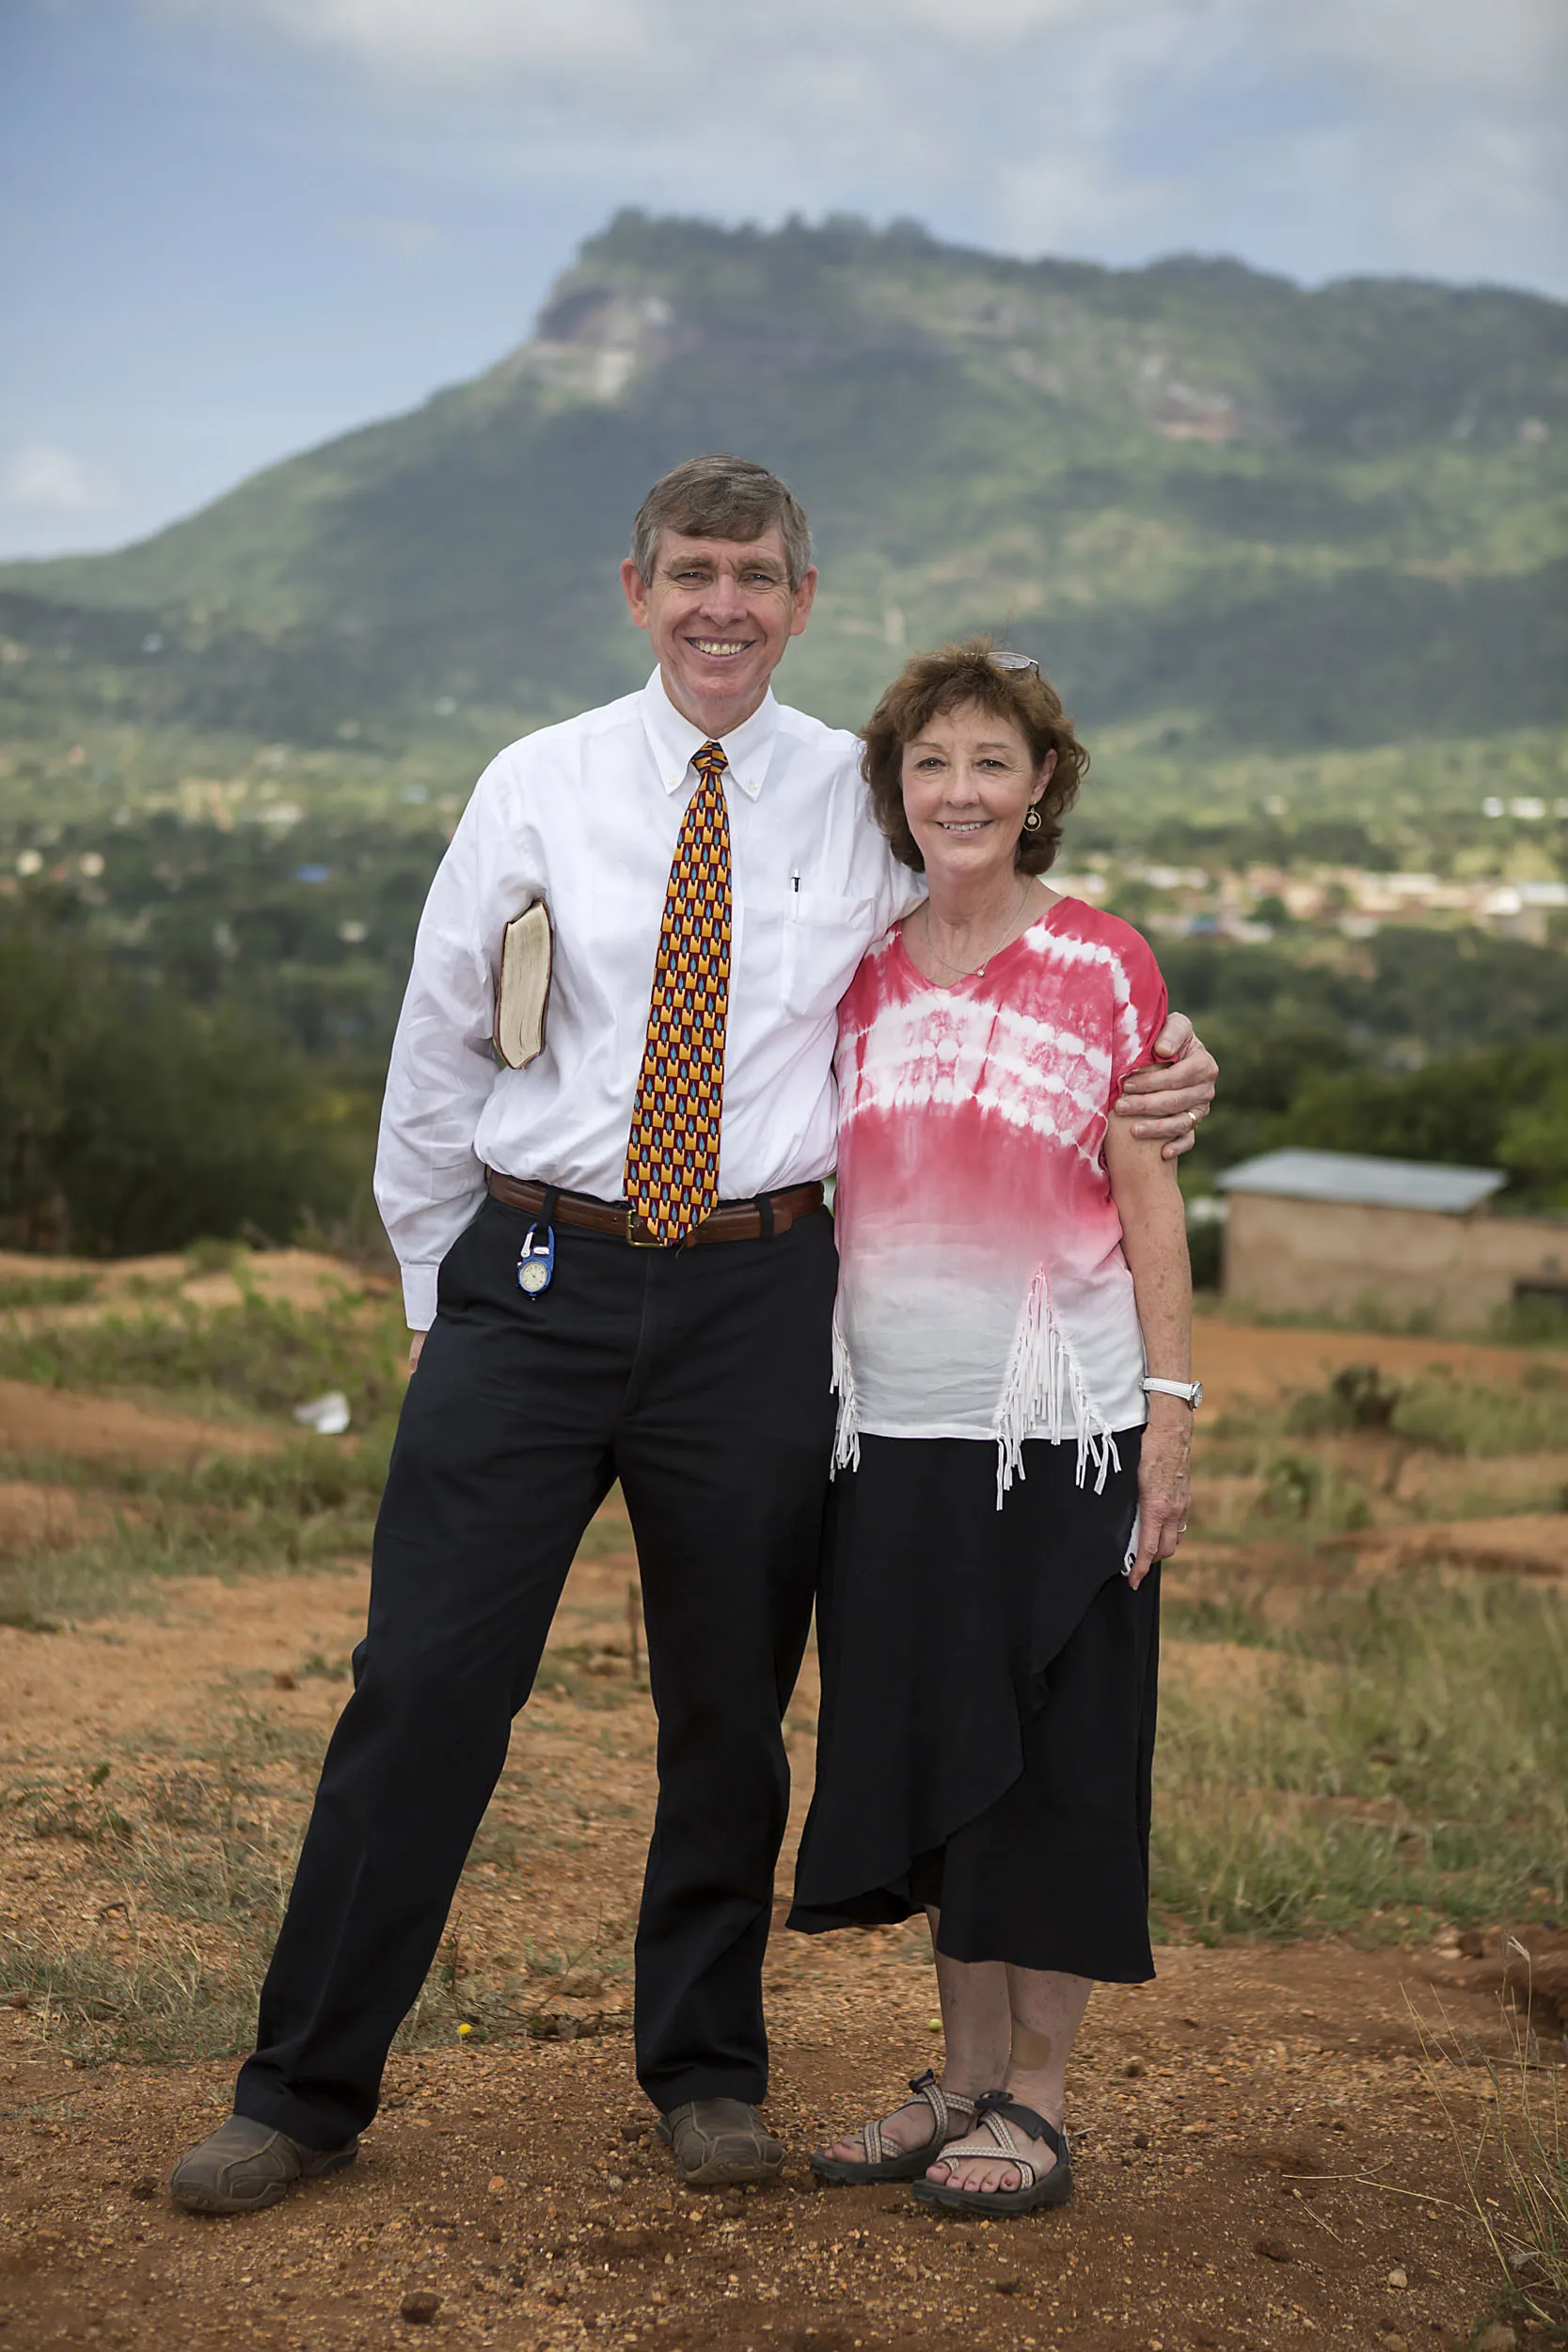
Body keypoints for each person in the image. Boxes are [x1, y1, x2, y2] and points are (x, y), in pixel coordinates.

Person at [169, 458, 1215, 2217]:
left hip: (756, 1301)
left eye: (754, 573)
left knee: (728, 1712)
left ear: (801, 599)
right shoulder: (538, 785)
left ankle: (707, 2070)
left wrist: (1166, 1067)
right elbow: (441, 1048)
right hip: (534, 1277)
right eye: (689, 573)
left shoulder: (856, 800)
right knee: (422, 1686)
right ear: (635, 590)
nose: (721, 602)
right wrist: (440, 1293)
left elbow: (999, 945)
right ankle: (299, 2091)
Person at [790, 638, 1194, 2216]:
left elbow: (1152, 1198)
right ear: (899, 790)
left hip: (1066, 1430)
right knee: (937, 1760)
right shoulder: (862, 973)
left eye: (990, 764)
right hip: (885, 1431)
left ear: (1040, 791)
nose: (958, 790)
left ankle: (1035, 2100)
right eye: (930, 764)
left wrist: (1168, 1422)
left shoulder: (1102, 965)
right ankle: (955, 2080)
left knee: (1055, 1763)